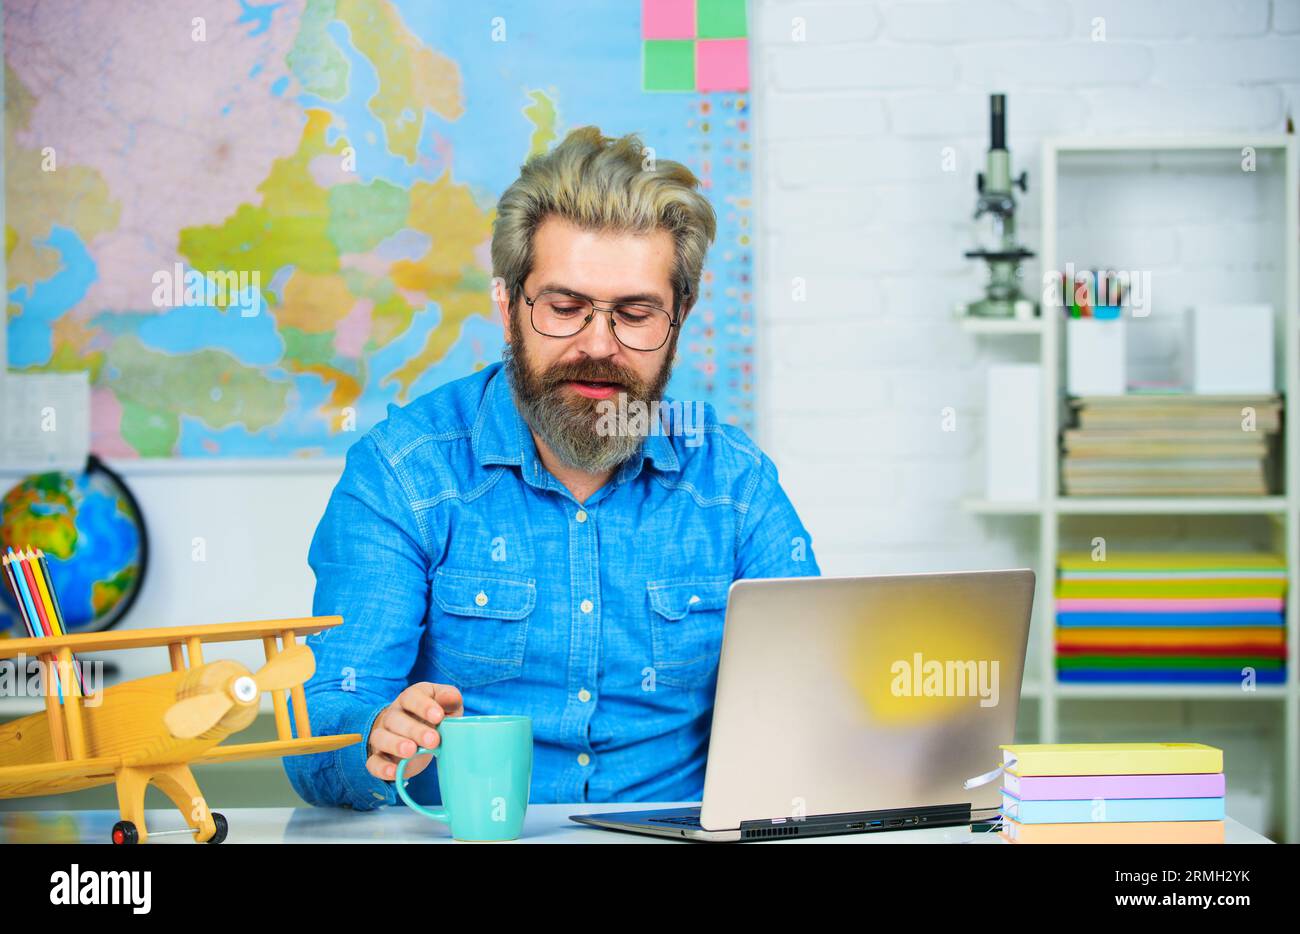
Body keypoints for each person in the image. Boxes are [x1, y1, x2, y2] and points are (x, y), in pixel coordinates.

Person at [284, 126, 819, 809]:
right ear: (508, 307)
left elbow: (811, 699)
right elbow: (320, 735)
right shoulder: (404, 475)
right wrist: (371, 741)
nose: (598, 345)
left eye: (635, 313)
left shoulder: (734, 485)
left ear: (679, 317)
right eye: (564, 308)